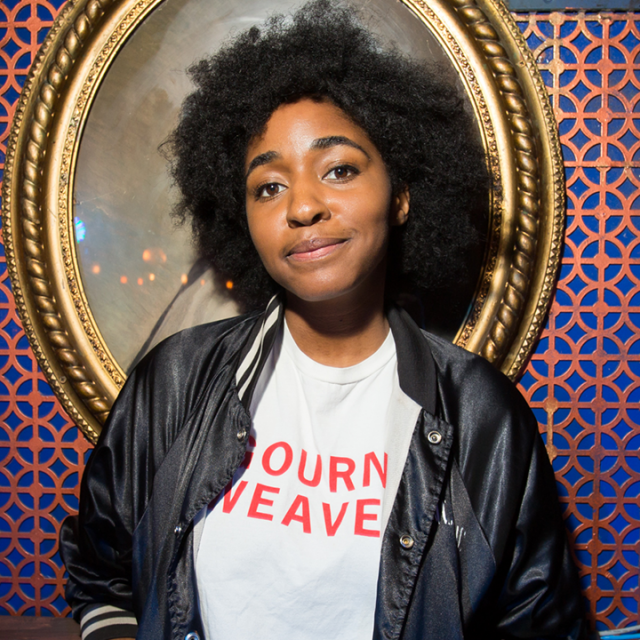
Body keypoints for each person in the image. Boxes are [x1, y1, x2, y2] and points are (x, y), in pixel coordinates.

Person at [59, 2, 588, 639]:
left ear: (400, 196)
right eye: (269, 186)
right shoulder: (174, 381)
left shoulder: (481, 415)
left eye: (338, 170)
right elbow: (103, 577)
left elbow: (540, 624)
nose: (303, 206)